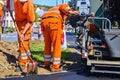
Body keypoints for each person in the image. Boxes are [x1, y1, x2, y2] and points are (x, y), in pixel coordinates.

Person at [41, 4, 79, 72]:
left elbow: (63, 19)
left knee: (47, 44)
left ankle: (46, 63)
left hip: (44, 21)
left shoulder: (53, 9)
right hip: (54, 22)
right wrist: (71, 12)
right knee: (56, 45)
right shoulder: (62, 6)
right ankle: (55, 67)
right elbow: (64, 7)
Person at [6, 0, 35, 71]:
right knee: (21, 43)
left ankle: (22, 64)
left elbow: (30, 21)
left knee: (23, 43)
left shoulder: (29, 4)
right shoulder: (16, 1)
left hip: (26, 24)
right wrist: (8, 5)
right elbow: (9, 2)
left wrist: (23, 33)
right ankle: (28, 58)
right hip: (18, 23)